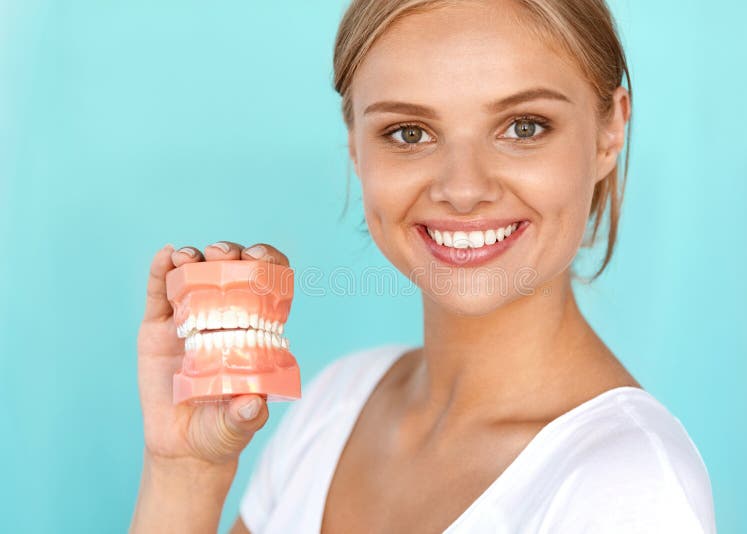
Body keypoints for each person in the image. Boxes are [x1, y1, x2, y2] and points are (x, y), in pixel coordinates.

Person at [130, 0, 717, 532]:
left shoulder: (629, 488)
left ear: (609, 131)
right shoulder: (336, 405)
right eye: (409, 133)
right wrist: (184, 472)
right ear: (356, 146)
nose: (463, 189)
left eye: (523, 127)